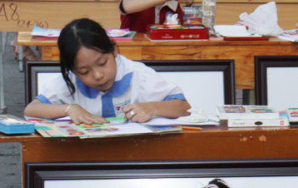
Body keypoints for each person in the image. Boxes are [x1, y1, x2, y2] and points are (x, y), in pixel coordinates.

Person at [23, 18, 191, 123]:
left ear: (114, 50)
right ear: (73, 70)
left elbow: (183, 106)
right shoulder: (71, 81)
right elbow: (31, 110)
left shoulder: (136, 74)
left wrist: (153, 108)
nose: (97, 75)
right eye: (84, 72)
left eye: (102, 63)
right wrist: (68, 109)